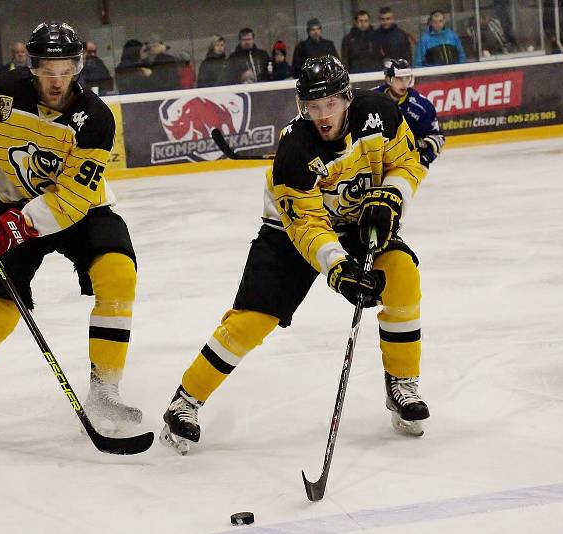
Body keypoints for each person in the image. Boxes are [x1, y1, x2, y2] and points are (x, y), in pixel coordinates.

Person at [160, 55, 430, 455]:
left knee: (403, 275)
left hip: (357, 221)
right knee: (251, 321)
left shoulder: (381, 114)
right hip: (288, 235)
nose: (323, 115)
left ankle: (402, 386)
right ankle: (186, 401)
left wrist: (391, 195)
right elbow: (306, 226)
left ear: (346, 98)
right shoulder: (294, 149)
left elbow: (407, 163)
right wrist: (337, 268)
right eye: (313, 106)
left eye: (331, 104)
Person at [0, 21, 142, 449]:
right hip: (11, 205)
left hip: (83, 209)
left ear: (79, 65)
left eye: (66, 68)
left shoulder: (96, 120)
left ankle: (105, 390)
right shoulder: (7, 89)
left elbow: (73, 195)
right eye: (47, 69)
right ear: (32, 66)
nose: (57, 79)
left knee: (119, 274)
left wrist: (20, 226)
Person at [373, 59, 444, 168]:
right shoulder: (371, 99)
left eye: (407, 78)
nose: (404, 83)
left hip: (407, 164)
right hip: (376, 161)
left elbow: (437, 137)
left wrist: (422, 159)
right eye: (399, 79)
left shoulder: (423, 107)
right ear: (388, 80)